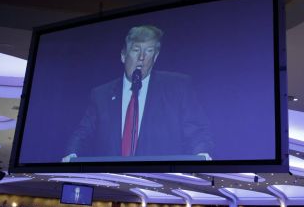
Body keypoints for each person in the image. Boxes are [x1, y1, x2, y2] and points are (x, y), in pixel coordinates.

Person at [63, 25, 213, 161]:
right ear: (123, 55)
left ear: (155, 57)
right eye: (136, 50)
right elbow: (83, 133)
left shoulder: (178, 87)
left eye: (148, 51)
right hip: (113, 183)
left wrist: (202, 154)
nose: (141, 57)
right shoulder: (101, 95)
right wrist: (72, 154)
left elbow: (197, 132)